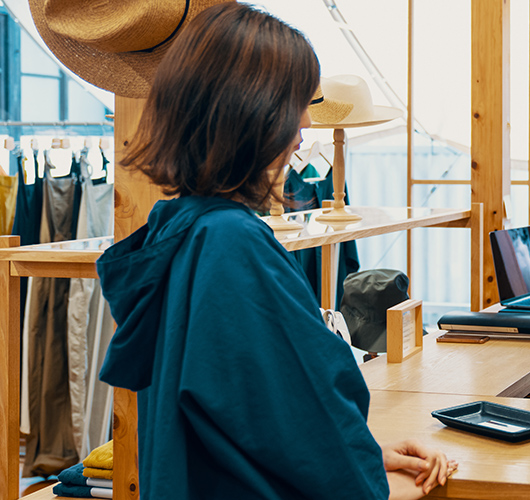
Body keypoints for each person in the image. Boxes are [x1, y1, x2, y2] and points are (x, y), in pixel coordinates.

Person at [94, 4, 450, 499]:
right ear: (250, 109)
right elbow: (304, 406)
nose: (305, 121)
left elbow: (254, 412)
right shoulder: (232, 245)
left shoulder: (179, 229)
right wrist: (370, 478)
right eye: (296, 103)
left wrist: (368, 451)